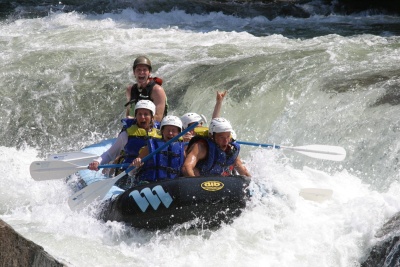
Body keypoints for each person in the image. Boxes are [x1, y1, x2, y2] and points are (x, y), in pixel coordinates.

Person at [88, 100, 161, 172]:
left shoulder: (160, 134)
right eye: (139, 114)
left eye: (146, 114)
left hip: (152, 172)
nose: (142, 117)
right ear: (135, 116)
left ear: (152, 117)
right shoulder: (126, 134)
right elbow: (110, 154)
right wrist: (97, 162)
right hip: (129, 172)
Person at [181, 117, 250, 177]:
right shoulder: (201, 147)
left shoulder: (231, 150)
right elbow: (186, 167)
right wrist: (196, 185)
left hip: (217, 182)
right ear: (211, 135)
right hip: (198, 180)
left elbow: (244, 172)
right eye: (221, 137)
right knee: (195, 171)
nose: (226, 141)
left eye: (228, 137)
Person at [130, 115, 186, 182]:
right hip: (150, 185)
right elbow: (131, 172)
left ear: (178, 133)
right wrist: (136, 164)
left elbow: (186, 169)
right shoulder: (151, 147)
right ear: (162, 131)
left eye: (173, 131)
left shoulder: (183, 150)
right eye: (168, 130)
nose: (170, 133)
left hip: (173, 185)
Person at [125, 56, 168, 124]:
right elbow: (128, 113)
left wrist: (135, 120)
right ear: (134, 72)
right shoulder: (130, 90)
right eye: (138, 69)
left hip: (154, 128)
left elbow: (158, 118)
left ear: (149, 72)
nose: (141, 72)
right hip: (135, 126)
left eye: (144, 70)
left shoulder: (157, 90)